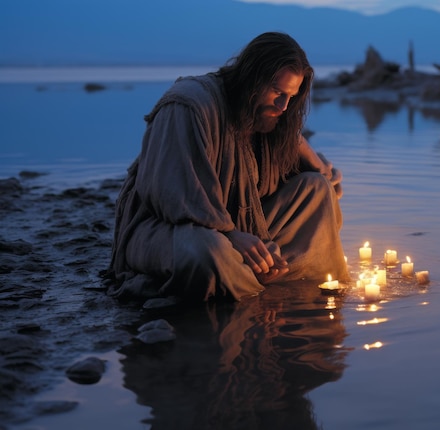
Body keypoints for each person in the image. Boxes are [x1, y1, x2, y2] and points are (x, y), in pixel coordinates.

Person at [107, 32, 350, 302]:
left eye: (291, 97)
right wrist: (230, 235)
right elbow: (174, 202)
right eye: (278, 93)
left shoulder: (265, 112)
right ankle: (259, 287)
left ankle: (259, 280)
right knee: (206, 252)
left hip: (240, 228)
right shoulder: (189, 106)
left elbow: (295, 145)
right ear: (251, 78)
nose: (283, 106)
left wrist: (320, 168)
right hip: (170, 231)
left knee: (317, 191)